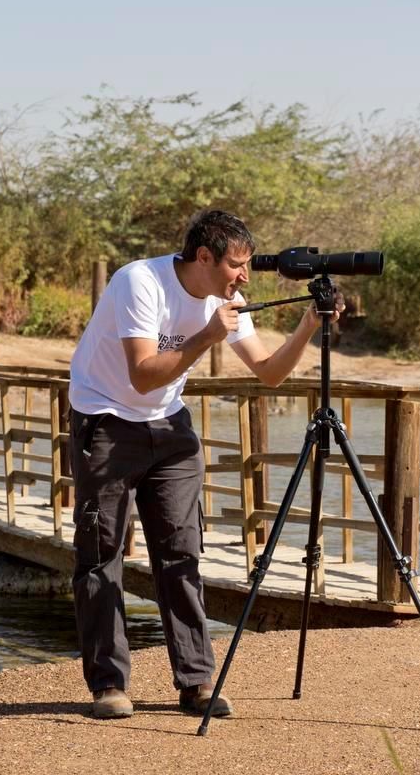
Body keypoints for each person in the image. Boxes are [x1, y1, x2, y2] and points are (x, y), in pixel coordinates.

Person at [69, 209, 344, 720]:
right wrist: (206, 337)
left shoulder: (228, 299)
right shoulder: (139, 282)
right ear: (204, 257)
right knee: (101, 556)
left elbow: (269, 374)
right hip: (105, 420)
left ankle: (195, 684)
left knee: (181, 553)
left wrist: (310, 325)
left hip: (169, 427)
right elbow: (143, 376)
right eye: (236, 265)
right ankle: (109, 684)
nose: (243, 276)